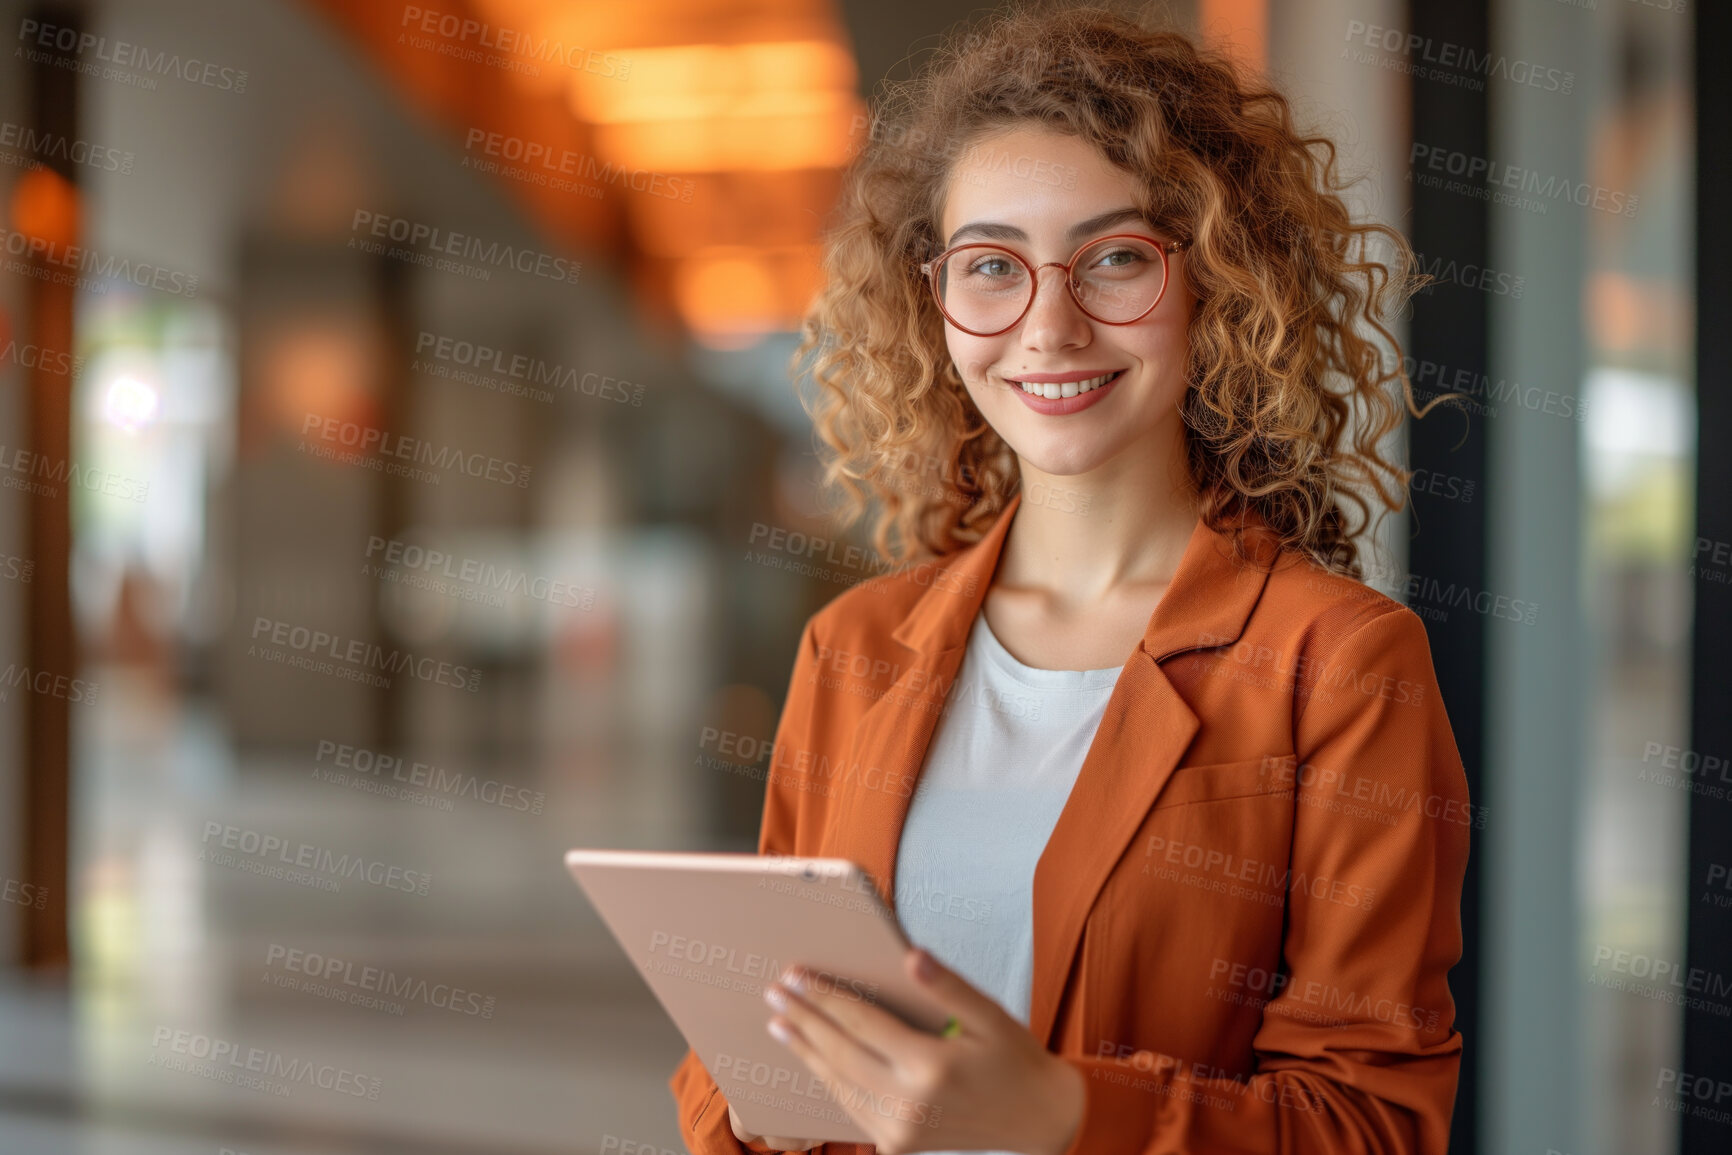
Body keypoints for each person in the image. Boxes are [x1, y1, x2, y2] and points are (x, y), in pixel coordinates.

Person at [670, 4, 1471, 1152]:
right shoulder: (854, 646)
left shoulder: (1339, 668)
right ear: (932, 299)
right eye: (993, 266)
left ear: (1218, 284)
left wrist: (1059, 1114)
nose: (1047, 326)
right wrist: (748, 1104)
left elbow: (1372, 1122)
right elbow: (745, 1039)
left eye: (1113, 261)